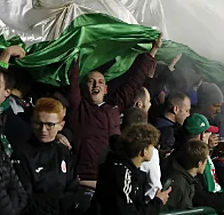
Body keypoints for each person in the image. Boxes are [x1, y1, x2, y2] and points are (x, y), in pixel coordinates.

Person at [67, 35, 161, 190]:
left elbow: (134, 82)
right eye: (91, 81)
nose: (96, 85)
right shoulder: (78, 108)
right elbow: (73, 79)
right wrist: (78, 49)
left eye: (101, 82)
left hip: (113, 178)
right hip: (85, 180)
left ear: (106, 89)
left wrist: (153, 52)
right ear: (84, 88)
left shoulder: (114, 108)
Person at [11, 98, 89, 215]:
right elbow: (24, 200)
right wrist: (60, 203)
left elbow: (73, 189)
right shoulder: (21, 154)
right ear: (32, 122)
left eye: (50, 125)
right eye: (38, 123)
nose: (43, 130)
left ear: (61, 125)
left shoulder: (63, 152)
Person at [89, 123, 171, 214]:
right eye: (152, 146)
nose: (155, 150)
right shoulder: (121, 173)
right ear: (144, 151)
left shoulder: (131, 172)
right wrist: (158, 202)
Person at [163, 140, 210, 210]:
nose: (206, 164)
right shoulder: (178, 183)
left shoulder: (189, 179)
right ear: (199, 163)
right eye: (206, 160)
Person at [151, 91, 191, 155]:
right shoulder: (167, 134)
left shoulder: (154, 121)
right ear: (175, 109)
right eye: (187, 111)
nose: (188, 114)